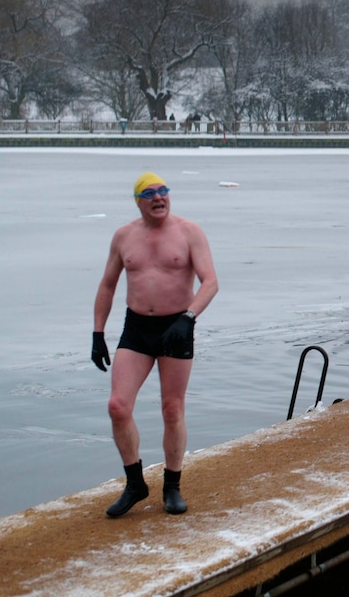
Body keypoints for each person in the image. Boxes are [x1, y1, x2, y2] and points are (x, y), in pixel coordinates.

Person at [91, 171, 219, 517]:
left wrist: (188, 318)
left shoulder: (189, 232)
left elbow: (210, 282)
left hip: (177, 325)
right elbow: (107, 285)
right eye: (150, 193)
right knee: (118, 406)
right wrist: (97, 333)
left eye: (163, 191)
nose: (159, 197)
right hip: (137, 329)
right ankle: (135, 483)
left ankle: (172, 487)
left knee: (172, 408)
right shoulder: (123, 236)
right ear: (138, 201)